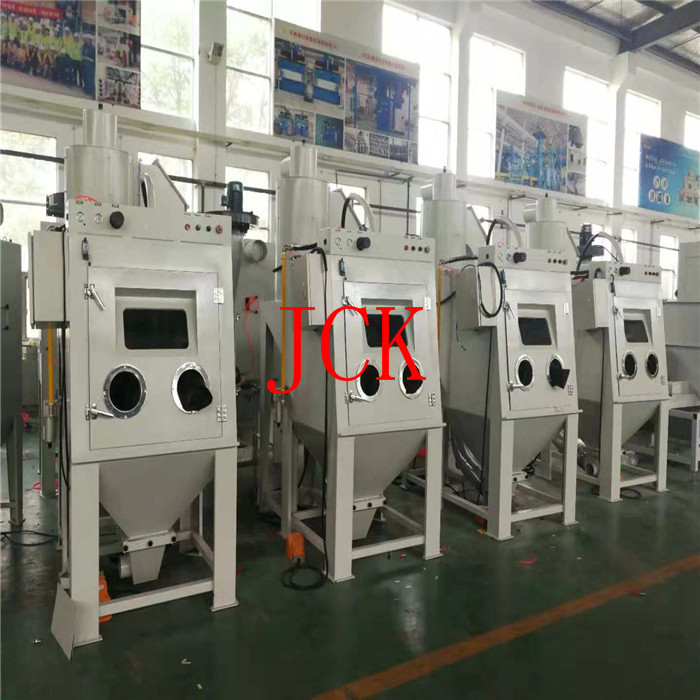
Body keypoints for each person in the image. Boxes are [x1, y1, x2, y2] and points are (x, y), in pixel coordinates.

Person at [81, 33, 95, 98]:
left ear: (90, 40)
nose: (85, 40)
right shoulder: (84, 46)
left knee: (90, 77)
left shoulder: (93, 48)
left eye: (87, 39)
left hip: (90, 64)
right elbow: (82, 53)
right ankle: (86, 89)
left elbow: (93, 58)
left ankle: (90, 90)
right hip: (84, 63)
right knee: (85, 76)